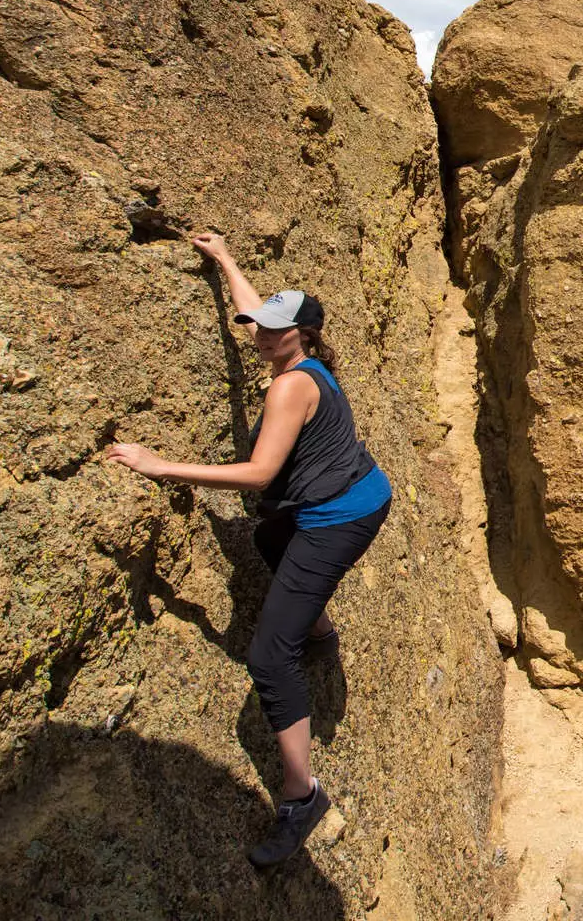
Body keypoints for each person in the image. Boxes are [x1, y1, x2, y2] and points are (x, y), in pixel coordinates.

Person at [106, 232, 391, 867]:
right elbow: (255, 310)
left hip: (341, 515)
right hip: (350, 495)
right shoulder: (296, 354)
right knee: (266, 535)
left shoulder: (290, 387)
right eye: (259, 326)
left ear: (304, 336)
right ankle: (318, 630)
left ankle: (302, 795)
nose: (259, 336)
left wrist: (163, 467)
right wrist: (226, 260)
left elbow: (260, 475)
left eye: (272, 331)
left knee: (267, 656)